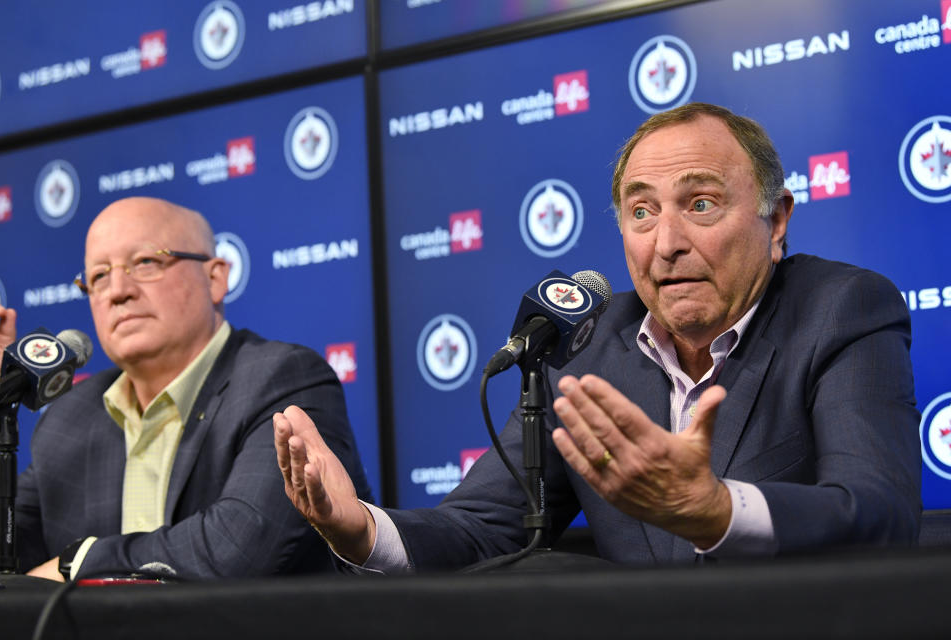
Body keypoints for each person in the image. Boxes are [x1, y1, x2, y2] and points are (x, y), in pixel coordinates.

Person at [274, 102, 921, 572]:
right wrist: (359, 527)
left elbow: (878, 514)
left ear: (776, 222)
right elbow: (481, 529)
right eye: (642, 212)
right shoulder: (588, 344)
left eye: (700, 204)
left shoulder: (843, 309)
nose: (667, 243)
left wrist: (718, 512)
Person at [0, 197, 372, 581]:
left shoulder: (283, 380)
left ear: (215, 278)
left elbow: (238, 548)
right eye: (99, 276)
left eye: (145, 262)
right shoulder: (70, 418)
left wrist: (79, 563)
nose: (117, 291)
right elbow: (3, 554)